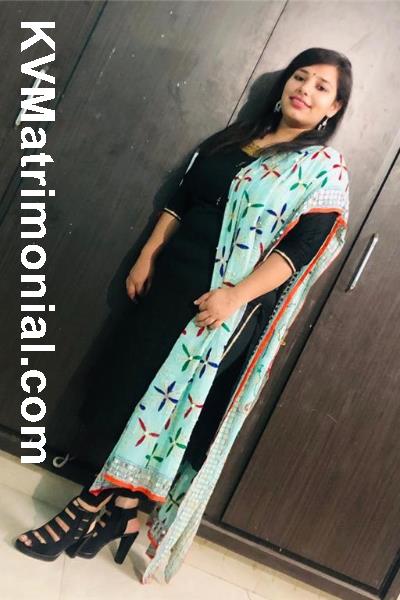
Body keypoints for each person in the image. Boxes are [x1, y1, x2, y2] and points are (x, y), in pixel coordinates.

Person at [15, 47, 352, 582]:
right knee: (127, 390)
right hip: (170, 281)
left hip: (217, 306)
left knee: (160, 407)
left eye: (320, 87)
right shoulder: (237, 139)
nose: (304, 90)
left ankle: (83, 510)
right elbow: (183, 197)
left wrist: (235, 297)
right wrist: (148, 253)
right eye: (300, 77)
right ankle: (124, 513)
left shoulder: (320, 168)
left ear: (333, 109)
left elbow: (302, 249)